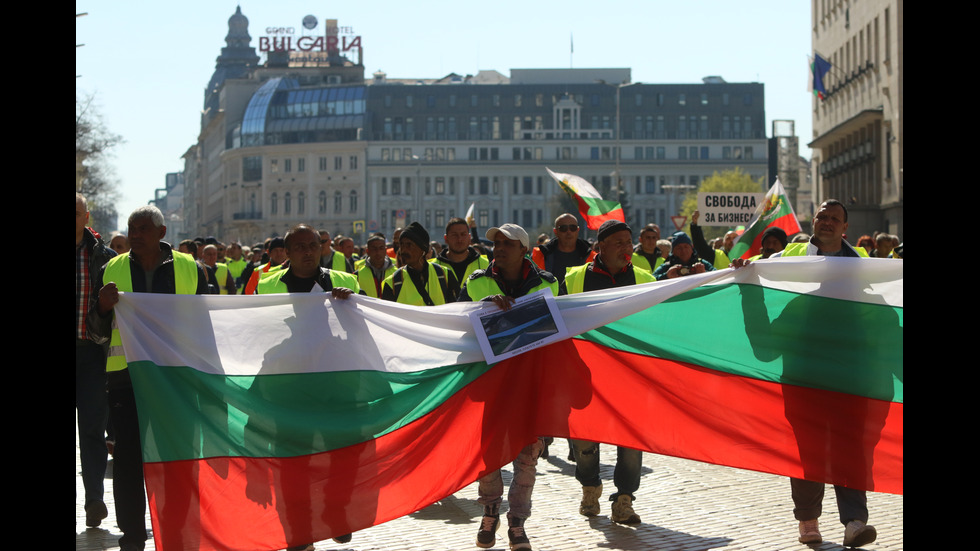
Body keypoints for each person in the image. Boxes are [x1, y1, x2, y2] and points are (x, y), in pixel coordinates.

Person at [735, 200, 875, 547]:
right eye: (821, 217)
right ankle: (808, 520)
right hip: (802, 376)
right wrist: (745, 276)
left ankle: (854, 522)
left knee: (851, 449)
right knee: (808, 451)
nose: (826, 222)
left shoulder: (864, 266)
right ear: (814, 221)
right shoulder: (790, 257)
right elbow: (761, 280)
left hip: (849, 377)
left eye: (834, 219)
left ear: (845, 228)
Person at [90, 205, 209, 551]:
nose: (136, 234)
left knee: (178, 457)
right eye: (132, 228)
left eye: (143, 228)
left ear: (161, 233)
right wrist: (101, 307)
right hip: (126, 380)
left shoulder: (191, 269)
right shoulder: (111, 268)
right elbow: (97, 333)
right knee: (127, 460)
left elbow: (209, 323)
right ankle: (132, 534)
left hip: (179, 380)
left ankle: (178, 527)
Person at [458, 224, 558, 551]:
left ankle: (517, 522)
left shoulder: (549, 284)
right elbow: (456, 322)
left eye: (507, 243)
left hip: (532, 383)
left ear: (524, 250)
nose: (498, 247)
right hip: (489, 383)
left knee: (528, 456)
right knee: (488, 454)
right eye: (496, 243)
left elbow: (566, 327)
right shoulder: (475, 282)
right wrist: (481, 307)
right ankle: (490, 512)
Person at [560, 220, 655, 525]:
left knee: (630, 444)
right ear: (600, 246)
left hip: (630, 377)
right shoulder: (575, 279)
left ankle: (624, 500)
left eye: (629, 242)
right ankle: (590, 488)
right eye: (619, 243)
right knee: (584, 445)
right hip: (587, 377)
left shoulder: (644, 279)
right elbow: (559, 322)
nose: (627, 248)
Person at [76, 193, 115, 528]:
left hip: (92, 353)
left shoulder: (104, 256)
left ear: (86, 217)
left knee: (92, 431)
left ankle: (94, 501)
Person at [381, 222, 459, 305]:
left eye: (409, 245)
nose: (403, 250)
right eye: (402, 245)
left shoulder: (444, 275)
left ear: (423, 250)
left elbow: (457, 309)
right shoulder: (393, 282)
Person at [531, 213, 595, 286]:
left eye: (572, 228)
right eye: (563, 228)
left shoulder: (591, 256)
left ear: (577, 230)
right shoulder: (540, 255)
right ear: (555, 232)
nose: (569, 231)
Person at [435, 217, 490, 284]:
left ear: (469, 238)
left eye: (463, 234)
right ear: (446, 238)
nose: (459, 239)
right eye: (454, 235)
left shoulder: (487, 265)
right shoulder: (432, 267)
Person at [356, 233, 395, 298]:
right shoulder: (357, 275)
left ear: (385, 250)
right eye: (374, 249)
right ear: (368, 251)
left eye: (381, 248)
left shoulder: (397, 274)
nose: (378, 252)